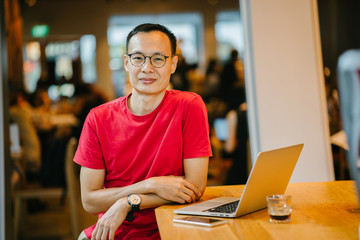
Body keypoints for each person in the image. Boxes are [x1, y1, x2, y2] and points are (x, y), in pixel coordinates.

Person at [74, 23, 212, 240]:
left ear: (173, 64)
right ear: (126, 63)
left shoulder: (189, 106)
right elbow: (89, 200)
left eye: (158, 59)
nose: (147, 68)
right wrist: (150, 184)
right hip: (115, 232)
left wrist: (129, 202)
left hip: (175, 229)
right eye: (138, 58)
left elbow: (194, 186)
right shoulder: (98, 118)